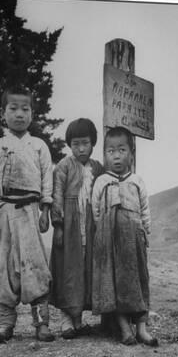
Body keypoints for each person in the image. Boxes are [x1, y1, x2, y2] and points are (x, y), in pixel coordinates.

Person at [0, 88, 55, 344]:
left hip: (30, 212)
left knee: (35, 266)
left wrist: (46, 209)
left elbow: (46, 180)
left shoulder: (39, 146)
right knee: (4, 268)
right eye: (13, 108)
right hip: (5, 213)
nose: (19, 114)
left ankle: (41, 323)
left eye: (25, 109)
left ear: (32, 113)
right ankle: (5, 323)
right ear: (3, 113)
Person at [91, 126, 158, 346]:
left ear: (131, 153)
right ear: (105, 154)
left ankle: (142, 328)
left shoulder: (137, 181)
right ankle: (124, 329)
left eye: (122, 150)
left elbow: (145, 209)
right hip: (110, 241)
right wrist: (102, 234)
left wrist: (145, 230)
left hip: (133, 239)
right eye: (111, 151)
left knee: (138, 280)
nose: (116, 155)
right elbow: (96, 210)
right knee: (114, 283)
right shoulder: (101, 181)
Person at [50, 118, 104, 339]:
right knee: (67, 271)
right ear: (69, 145)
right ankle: (65, 321)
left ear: (93, 143)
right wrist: (59, 226)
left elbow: (103, 194)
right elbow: (56, 197)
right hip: (69, 226)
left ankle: (79, 321)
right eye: (76, 144)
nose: (81, 148)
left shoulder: (98, 167)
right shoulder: (64, 166)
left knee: (84, 271)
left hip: (90, 227)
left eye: (86, 143)